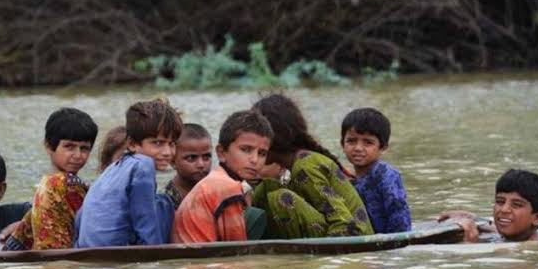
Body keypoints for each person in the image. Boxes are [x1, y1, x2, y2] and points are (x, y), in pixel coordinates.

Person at [251, 93, 374, 239]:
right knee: (266, 189)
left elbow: (344, 223)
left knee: (281, 198)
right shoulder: (293, 166)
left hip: (354, 236)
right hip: (333, 231)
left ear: (273, 137)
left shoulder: (305, 167)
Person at [75, 98, 182, 247]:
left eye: (172, 144)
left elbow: (81, 216)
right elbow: (146, 224)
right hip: (116, 253)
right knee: (164, 203)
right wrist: (158, 263)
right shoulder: (143, 165)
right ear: (132, 144)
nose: (167, 152)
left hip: (87, 250)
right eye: (158, 143)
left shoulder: (111, 170)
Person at [171, 109, 273, 243]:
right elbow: (237, 249)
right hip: (199, 261)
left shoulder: (216, 178)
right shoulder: (227, 187)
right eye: (246, 150)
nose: (254, 160)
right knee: (256, 217)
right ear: (221, 153)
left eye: (262, 153)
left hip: (191, 258)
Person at [3, 108, 98, 250]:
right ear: (49, 146)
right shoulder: (55, 184)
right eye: (69, 147)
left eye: (84, 148)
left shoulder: (69, 186)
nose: (78, 155)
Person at [340, 107, 411, 233]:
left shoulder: (386, 175)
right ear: (342, 144)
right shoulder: (346, 179)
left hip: (388, 240)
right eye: (351, 141)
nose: (358, 148)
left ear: (382, 147)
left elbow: (399, 215)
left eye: (368, 142)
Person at [439, 169, 538, 242]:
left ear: (537, 217)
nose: (504, 209)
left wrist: (470, 246)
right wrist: (473, 218)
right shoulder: (518, 236)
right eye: (500, 202)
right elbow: (495, 230)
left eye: (516, 205)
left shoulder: (533, 249)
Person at [164, 123, 213, 209]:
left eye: (206, 157)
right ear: (172, 161)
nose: (201, 164)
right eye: (191, 158)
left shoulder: (216, 192)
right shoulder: (167, 202)